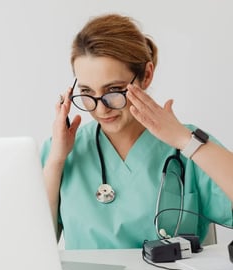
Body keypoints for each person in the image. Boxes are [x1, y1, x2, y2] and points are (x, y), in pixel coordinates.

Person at [41, 13, 233, 249]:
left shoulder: (189, 145)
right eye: (87, 92)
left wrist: (185, 141)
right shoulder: (61, 148)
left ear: (147, 75)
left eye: (114, 90)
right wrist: (56, 161)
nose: (101, 108)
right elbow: (33, 247)